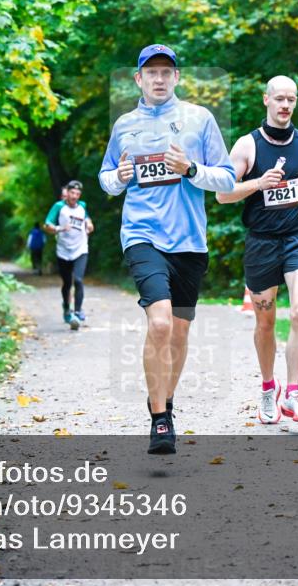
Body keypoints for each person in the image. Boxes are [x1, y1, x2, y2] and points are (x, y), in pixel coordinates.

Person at [99, 44, 236, 454]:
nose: (159, 79)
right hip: (142, 234)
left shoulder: (200, 119)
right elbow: (106, 177)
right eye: (150, 72)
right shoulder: (124, 125)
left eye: (166, 72)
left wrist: (191, 169)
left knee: (178, 332)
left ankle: (166, 401)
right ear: (138, 79)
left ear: (176, 78)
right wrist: (118, 177)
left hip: (190, 242)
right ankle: (160, 419)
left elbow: (227, 180)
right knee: (158, 324)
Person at [217, 75, 298, 424]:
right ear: (265, 100)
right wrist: (258, 182)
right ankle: (269, 388)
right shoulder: (246, 146)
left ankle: (293, 395)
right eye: (279, 98)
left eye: (291, 100)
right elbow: (223, 194)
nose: (285, 105)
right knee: (265, 322)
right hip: (261, 245)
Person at [44, 180, 93, 330]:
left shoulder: (83, 206)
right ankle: (66, 307)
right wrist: (60, 228)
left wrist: (90, 225)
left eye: (77, 194)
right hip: (64, 251)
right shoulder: (59, 207)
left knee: (78, 280)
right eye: (72, 193)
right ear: (67, 194)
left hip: (80, 249)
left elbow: (88, 220)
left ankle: (77, 313)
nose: (75, 196)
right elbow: (47, 226)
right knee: (66, 283)